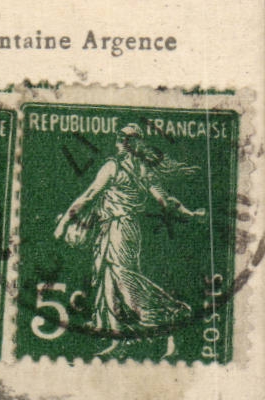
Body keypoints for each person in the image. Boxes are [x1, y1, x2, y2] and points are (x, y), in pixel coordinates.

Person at [54, 124, 205, 337]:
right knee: (111, 273)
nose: (117, 144)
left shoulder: (112, 167)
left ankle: (164, 312)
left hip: (116, 228)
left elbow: (88, 196)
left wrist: (62, 224)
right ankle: (108, 325)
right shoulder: (144, 170)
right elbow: (166, 201)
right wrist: (190, 214)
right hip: (129, 230)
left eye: (118, 140)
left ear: (122, 142)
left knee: (119, 273)